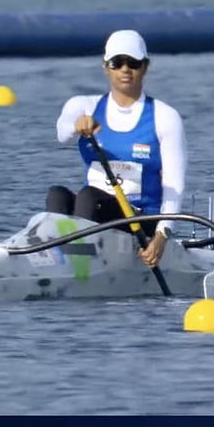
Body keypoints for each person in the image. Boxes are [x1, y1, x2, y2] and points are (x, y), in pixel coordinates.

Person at [48, 29, 188, 269]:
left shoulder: (164, 117)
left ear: (145, 67)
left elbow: (175, 185)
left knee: (88, 197)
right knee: (57, 195)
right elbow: (62, 134)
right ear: (106, 67)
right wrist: (77, 124)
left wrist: (161, 236)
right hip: (94, 212)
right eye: (117, 63)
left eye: (133, 63)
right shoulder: (85, 106)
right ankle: (61, 260)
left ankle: (79, 266)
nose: (125, 69)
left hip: (141, 222)